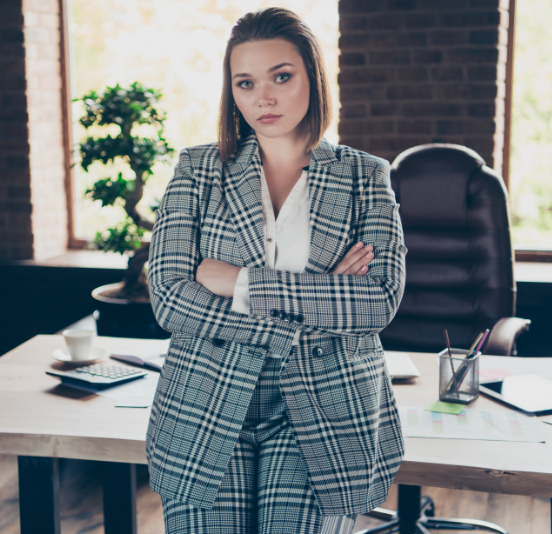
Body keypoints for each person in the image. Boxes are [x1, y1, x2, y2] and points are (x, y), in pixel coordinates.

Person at [146, 7, 407, 533]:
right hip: (204, 405)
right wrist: (321, 295)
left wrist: (242, 283)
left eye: (281, 77)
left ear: (313, 78)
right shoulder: (198, 169)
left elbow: (377, 301)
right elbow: (170, 298)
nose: (262, 98)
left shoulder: (365, 175)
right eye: (245, 83)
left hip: (326, 409)